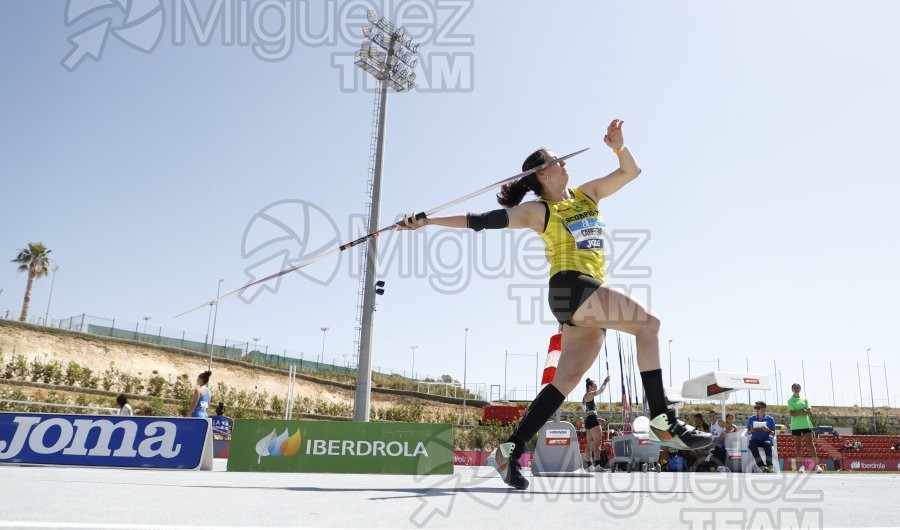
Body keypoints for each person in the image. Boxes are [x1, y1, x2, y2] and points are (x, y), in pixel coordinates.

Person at [400, 120, 712, 490]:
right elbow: (480, 221)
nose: (564, 163)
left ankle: (509, 450)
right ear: (542, 174)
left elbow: (631, 171)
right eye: (556, 160)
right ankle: (662, 419)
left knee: (565, 381)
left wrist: (618, 147)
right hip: (570, 287)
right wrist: (429, 221)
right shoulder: (539, 211)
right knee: (648, 323)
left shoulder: (587, 194)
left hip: (588, 292)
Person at [788, 383, 821, 473]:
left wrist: (799, 411)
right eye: (795, 388)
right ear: (792, 389)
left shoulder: (805, 399)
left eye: (798, 387)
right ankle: (801, 467)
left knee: (810, 444)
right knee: (798, 445)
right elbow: (792, 413)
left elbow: (809, 411)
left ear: (800, 389)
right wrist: (802, 411)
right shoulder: (790, 400)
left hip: (806, 424)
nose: (796, 389)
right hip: (795, 426)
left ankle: (817, 466)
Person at [582, 376, 610, 471]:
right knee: (598, 443)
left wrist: (598, 418)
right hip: (592, 420)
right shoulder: (590, 394)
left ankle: (589, 466)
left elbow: (589, 411)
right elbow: (601, 391)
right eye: (595, 384)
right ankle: (597, 466)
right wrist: (605, 381)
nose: (596, 386)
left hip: (589, 420)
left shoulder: (585, 396)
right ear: (590, 386)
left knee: (589, 444)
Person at [746, 400, 776, 472]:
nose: (756, 409)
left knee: (767, 444)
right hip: (755, 440)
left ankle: (769, 466)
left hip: (766, 439)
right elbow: (748, 433)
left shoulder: (770, 419)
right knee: (752, 444)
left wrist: (767, 430)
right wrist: (752, 430)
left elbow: (773, 434)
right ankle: (761, 465)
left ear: (764, 408)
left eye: (758, 407)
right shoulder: (751, 418)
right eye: (755, 407)